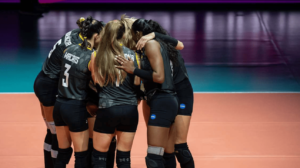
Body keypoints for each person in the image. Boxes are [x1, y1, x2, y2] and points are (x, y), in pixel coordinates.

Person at [116, 18, 179, 168]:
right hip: (166, 100)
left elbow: (159, 76)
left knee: (153, 157)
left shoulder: (151, 44)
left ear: (138, 33)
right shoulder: (159, 44)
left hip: (161, 101)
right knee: (167, 154)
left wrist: (133, 70)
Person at [52, 16, 104, 168]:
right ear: (96, 36)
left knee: (63, 152)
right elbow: (98, 82)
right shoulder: (92, 56)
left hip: (59, 105)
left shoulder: (69, 49)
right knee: (81, 155)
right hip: (75, 108)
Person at [89, 20, 140, 168]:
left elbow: (96, 81)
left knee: (99, 156)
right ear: (124, 35)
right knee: (124, 157)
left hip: (108, 109)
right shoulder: (133, 55)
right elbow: (137, 82)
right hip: (130, 109)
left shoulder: (97, 55)